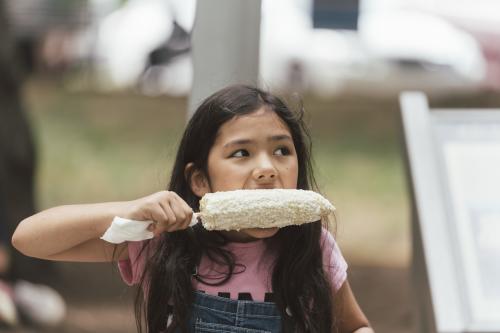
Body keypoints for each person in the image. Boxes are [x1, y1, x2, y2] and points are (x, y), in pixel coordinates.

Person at [11, 85, 374, 332]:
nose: (267, 168)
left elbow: (355, 325)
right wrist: (130, 209)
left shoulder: (313, 246)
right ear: (199, 180)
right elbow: (29, 239)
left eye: (282, 150)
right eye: (241, 153)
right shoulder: (163, 242)